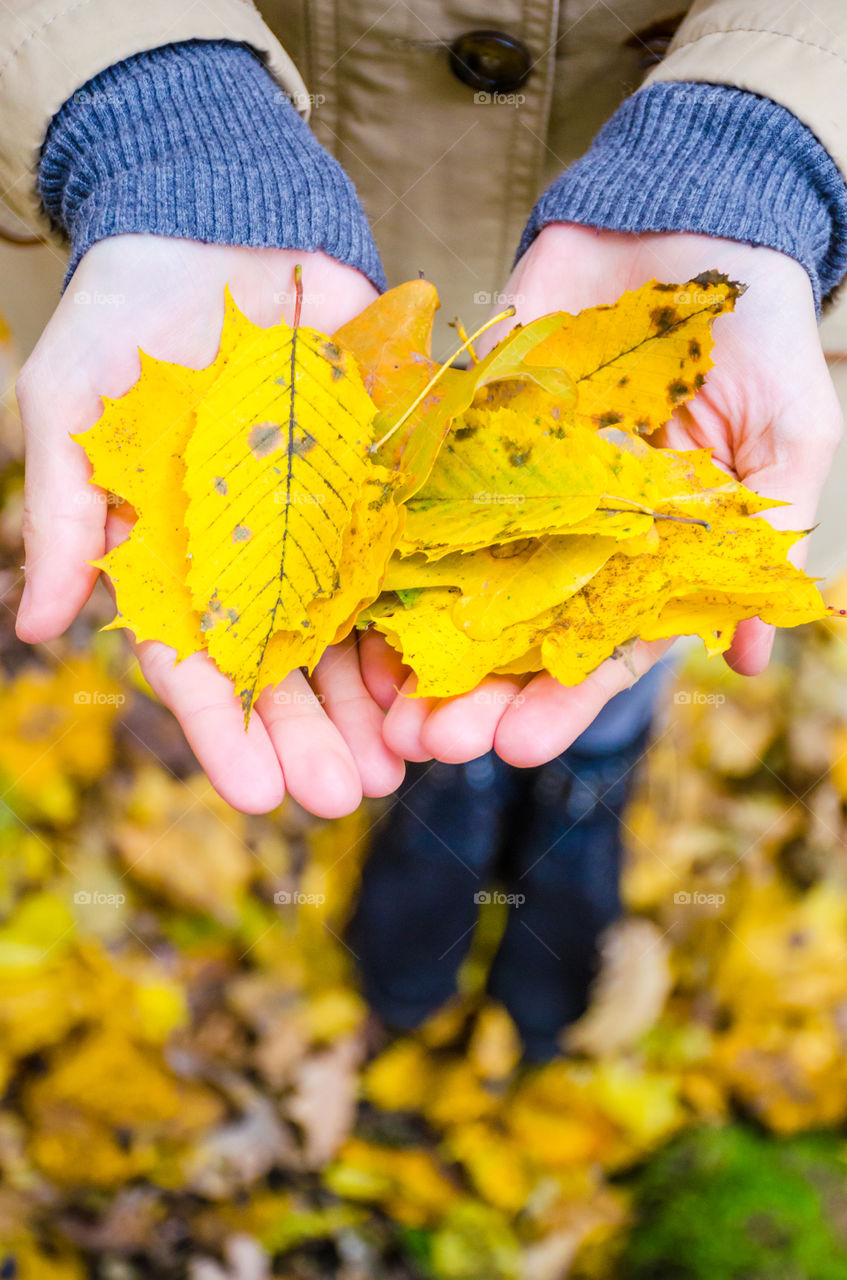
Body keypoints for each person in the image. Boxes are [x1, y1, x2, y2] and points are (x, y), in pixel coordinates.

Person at [2, 1, 845, 1056]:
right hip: (251, 206)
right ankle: (456, 781)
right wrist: (153, 111)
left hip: (679, 207)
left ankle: (585, 777)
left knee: (652, 556)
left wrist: (756, 141)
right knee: (444, 648)